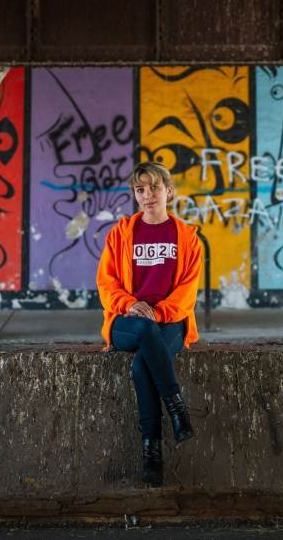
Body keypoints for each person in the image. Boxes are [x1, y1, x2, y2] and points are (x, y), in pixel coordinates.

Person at [97, 161, 203, 487]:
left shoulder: (187, 238)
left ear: (168, 191)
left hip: (171, 322)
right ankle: (177, 408)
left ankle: (151, 455)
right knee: (143, 331)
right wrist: (130, 305)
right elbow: (107, 282)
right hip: (127, 322)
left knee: (142, 367)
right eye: (140, 189)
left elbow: (187, 292)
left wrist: (158, 313)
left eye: (154, 187)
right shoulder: (121, 234)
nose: (147, 195)